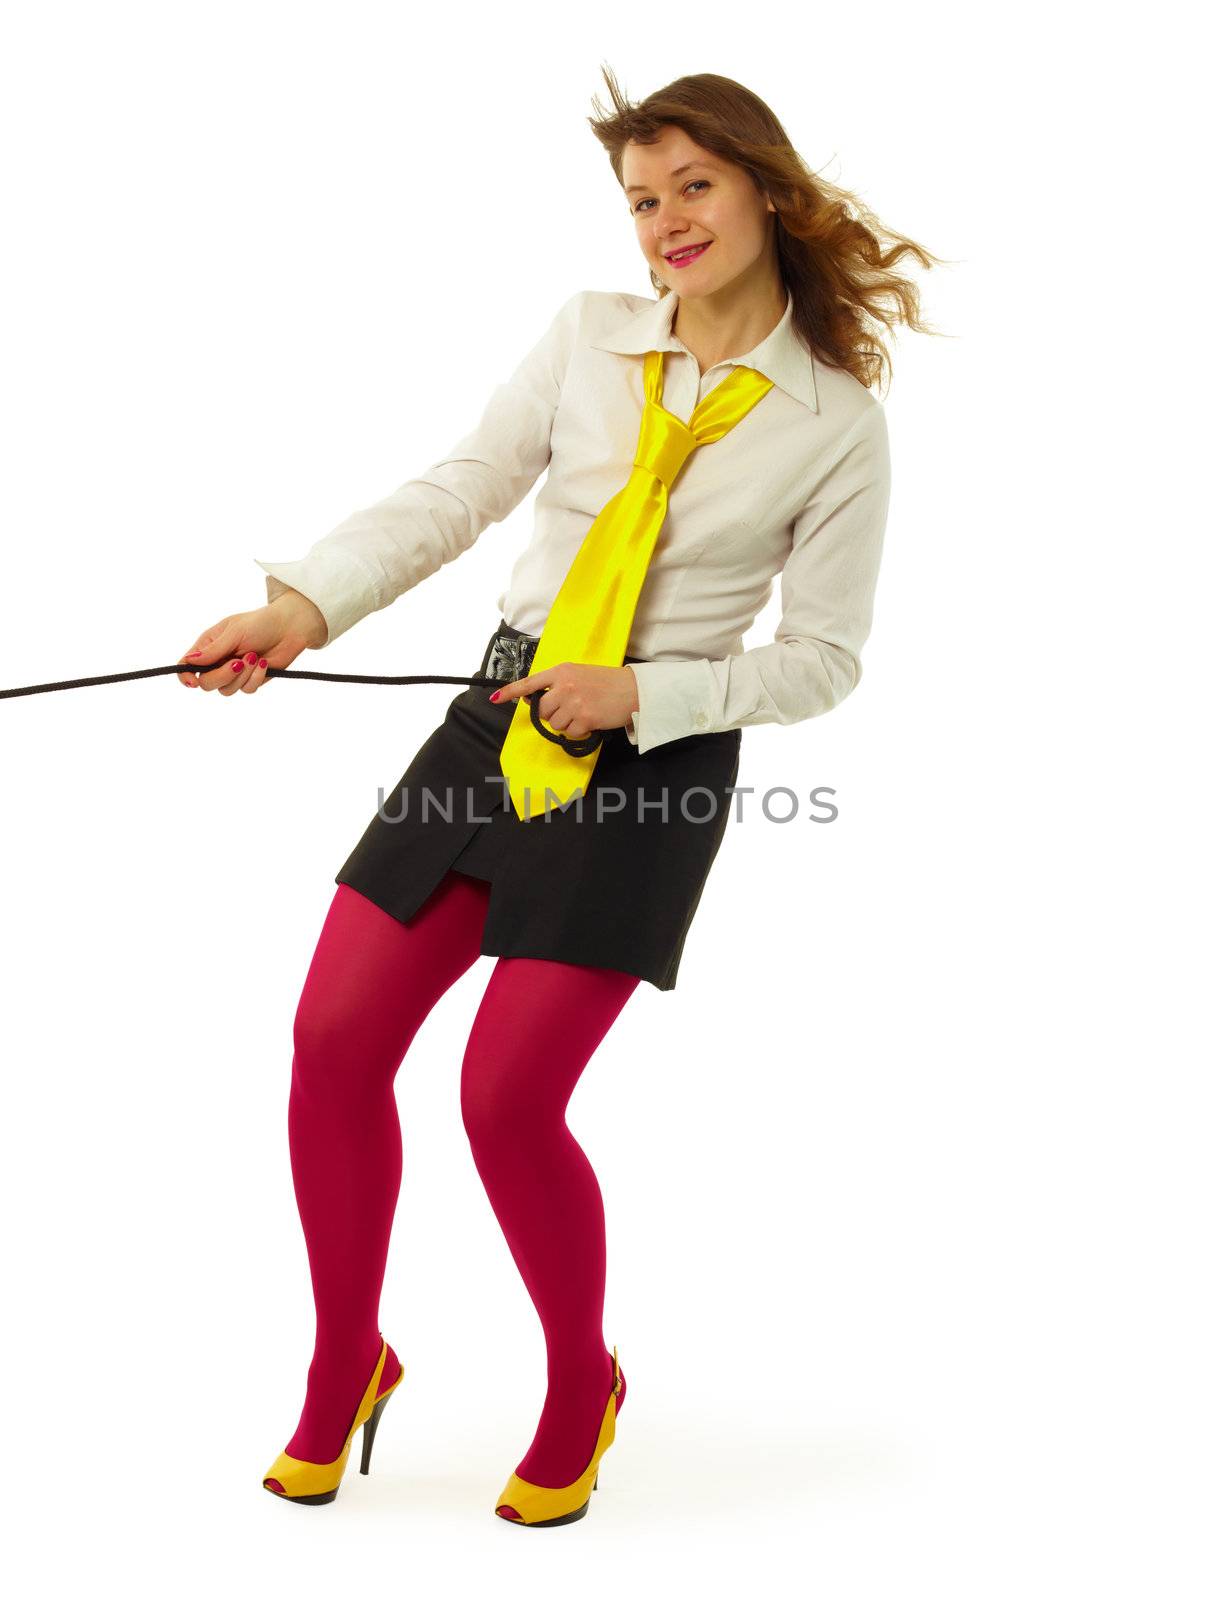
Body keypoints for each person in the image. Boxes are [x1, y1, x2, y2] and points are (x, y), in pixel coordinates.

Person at [176, 67, 939, 1526]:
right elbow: (463, 487)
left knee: (505, 1096)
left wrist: (645, 696)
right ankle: (349, 1359)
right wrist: (298, 607)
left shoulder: (836, 418)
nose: (663, 221)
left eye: (693, 187)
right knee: (331, 1037)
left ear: (766, 189)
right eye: (642, 200)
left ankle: (582, 1379)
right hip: (501, 714)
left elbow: (826, 661)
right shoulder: (590, 340)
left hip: (652, 752)